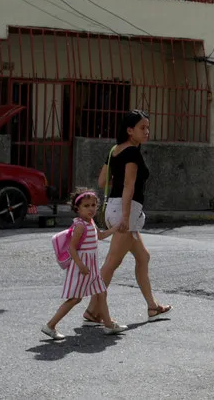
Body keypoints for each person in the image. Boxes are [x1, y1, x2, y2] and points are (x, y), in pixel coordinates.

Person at [85, 110, 172, 325]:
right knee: (111, 263)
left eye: (148, 127)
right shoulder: (132, 152)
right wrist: (125, 216)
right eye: (142, 128)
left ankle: (152, 306)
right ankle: (92, 311)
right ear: (129, 130)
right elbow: (128, 185)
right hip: (127, 210)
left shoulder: (115, 150)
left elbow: (102, 181)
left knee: (143, 257)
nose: (147, 132)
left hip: (117, 207)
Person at [42, 191, 127, 340]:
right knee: (75, 299)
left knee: (101, 292)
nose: (91, 209)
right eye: (86, 206)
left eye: (94, 205)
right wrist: (81, 265)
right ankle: (50, 325)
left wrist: (115, 228)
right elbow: (72, 248)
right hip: (83, 268)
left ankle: (108, 325)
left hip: (91, 267)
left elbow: (100, 236)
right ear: (77, 209)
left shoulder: (90, 222)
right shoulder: (80, 225)